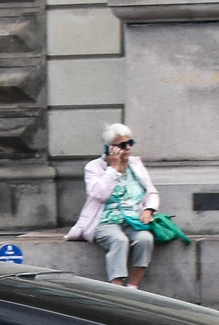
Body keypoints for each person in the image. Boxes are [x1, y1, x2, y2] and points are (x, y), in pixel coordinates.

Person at [68, 122, 162, 287]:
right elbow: (99, 195)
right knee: (119, 240)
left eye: (130, 143)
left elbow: (151, 192)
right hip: (105, 220)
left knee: (145, 239)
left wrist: (148, 209)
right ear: (110, 148)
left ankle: (133, 287)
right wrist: (113, 169)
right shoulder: (94, 167)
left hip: (133, 218)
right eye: (122, 145)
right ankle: (117, 287)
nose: (128, 148)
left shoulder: (135, 164)